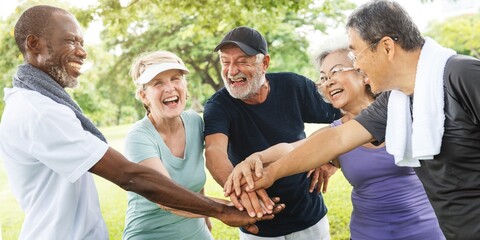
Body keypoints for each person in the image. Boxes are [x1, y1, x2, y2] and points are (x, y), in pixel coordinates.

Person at [0, 5, 283, 239]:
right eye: (71, 41)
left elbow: (200, 175)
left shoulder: (46, 105)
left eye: (176, 79)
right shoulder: (38, 112)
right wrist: (224, 210)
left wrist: (324, 155)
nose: (82, 52)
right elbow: (132, 177)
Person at [224, 1, 480, 239]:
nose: (357, 65)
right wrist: (269, 172)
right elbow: (337, 138)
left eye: (356, 54)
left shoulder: (462, 75)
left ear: (387, 47)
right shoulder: (397, 103)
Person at [203, 26, 341, 239]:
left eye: (242, 61)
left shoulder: (293, 86)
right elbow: (214, 151)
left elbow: (350, 111)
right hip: (257, 223)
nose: (231, 71)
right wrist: (239, 189)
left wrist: (333, 159)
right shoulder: (218, 105)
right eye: (225, 61)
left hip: (308, 215)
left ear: (264, 63)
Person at [122, 50, 218, 239]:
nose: (169, 88)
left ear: (185, 86)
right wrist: (224, 210)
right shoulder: (138, 137)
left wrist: (206, 218)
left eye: (175, 79)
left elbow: (195, 176)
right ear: (144, 96)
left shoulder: (195, 122)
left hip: (196, 231)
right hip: (150, 234)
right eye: (158, 83)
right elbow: (167, 198)